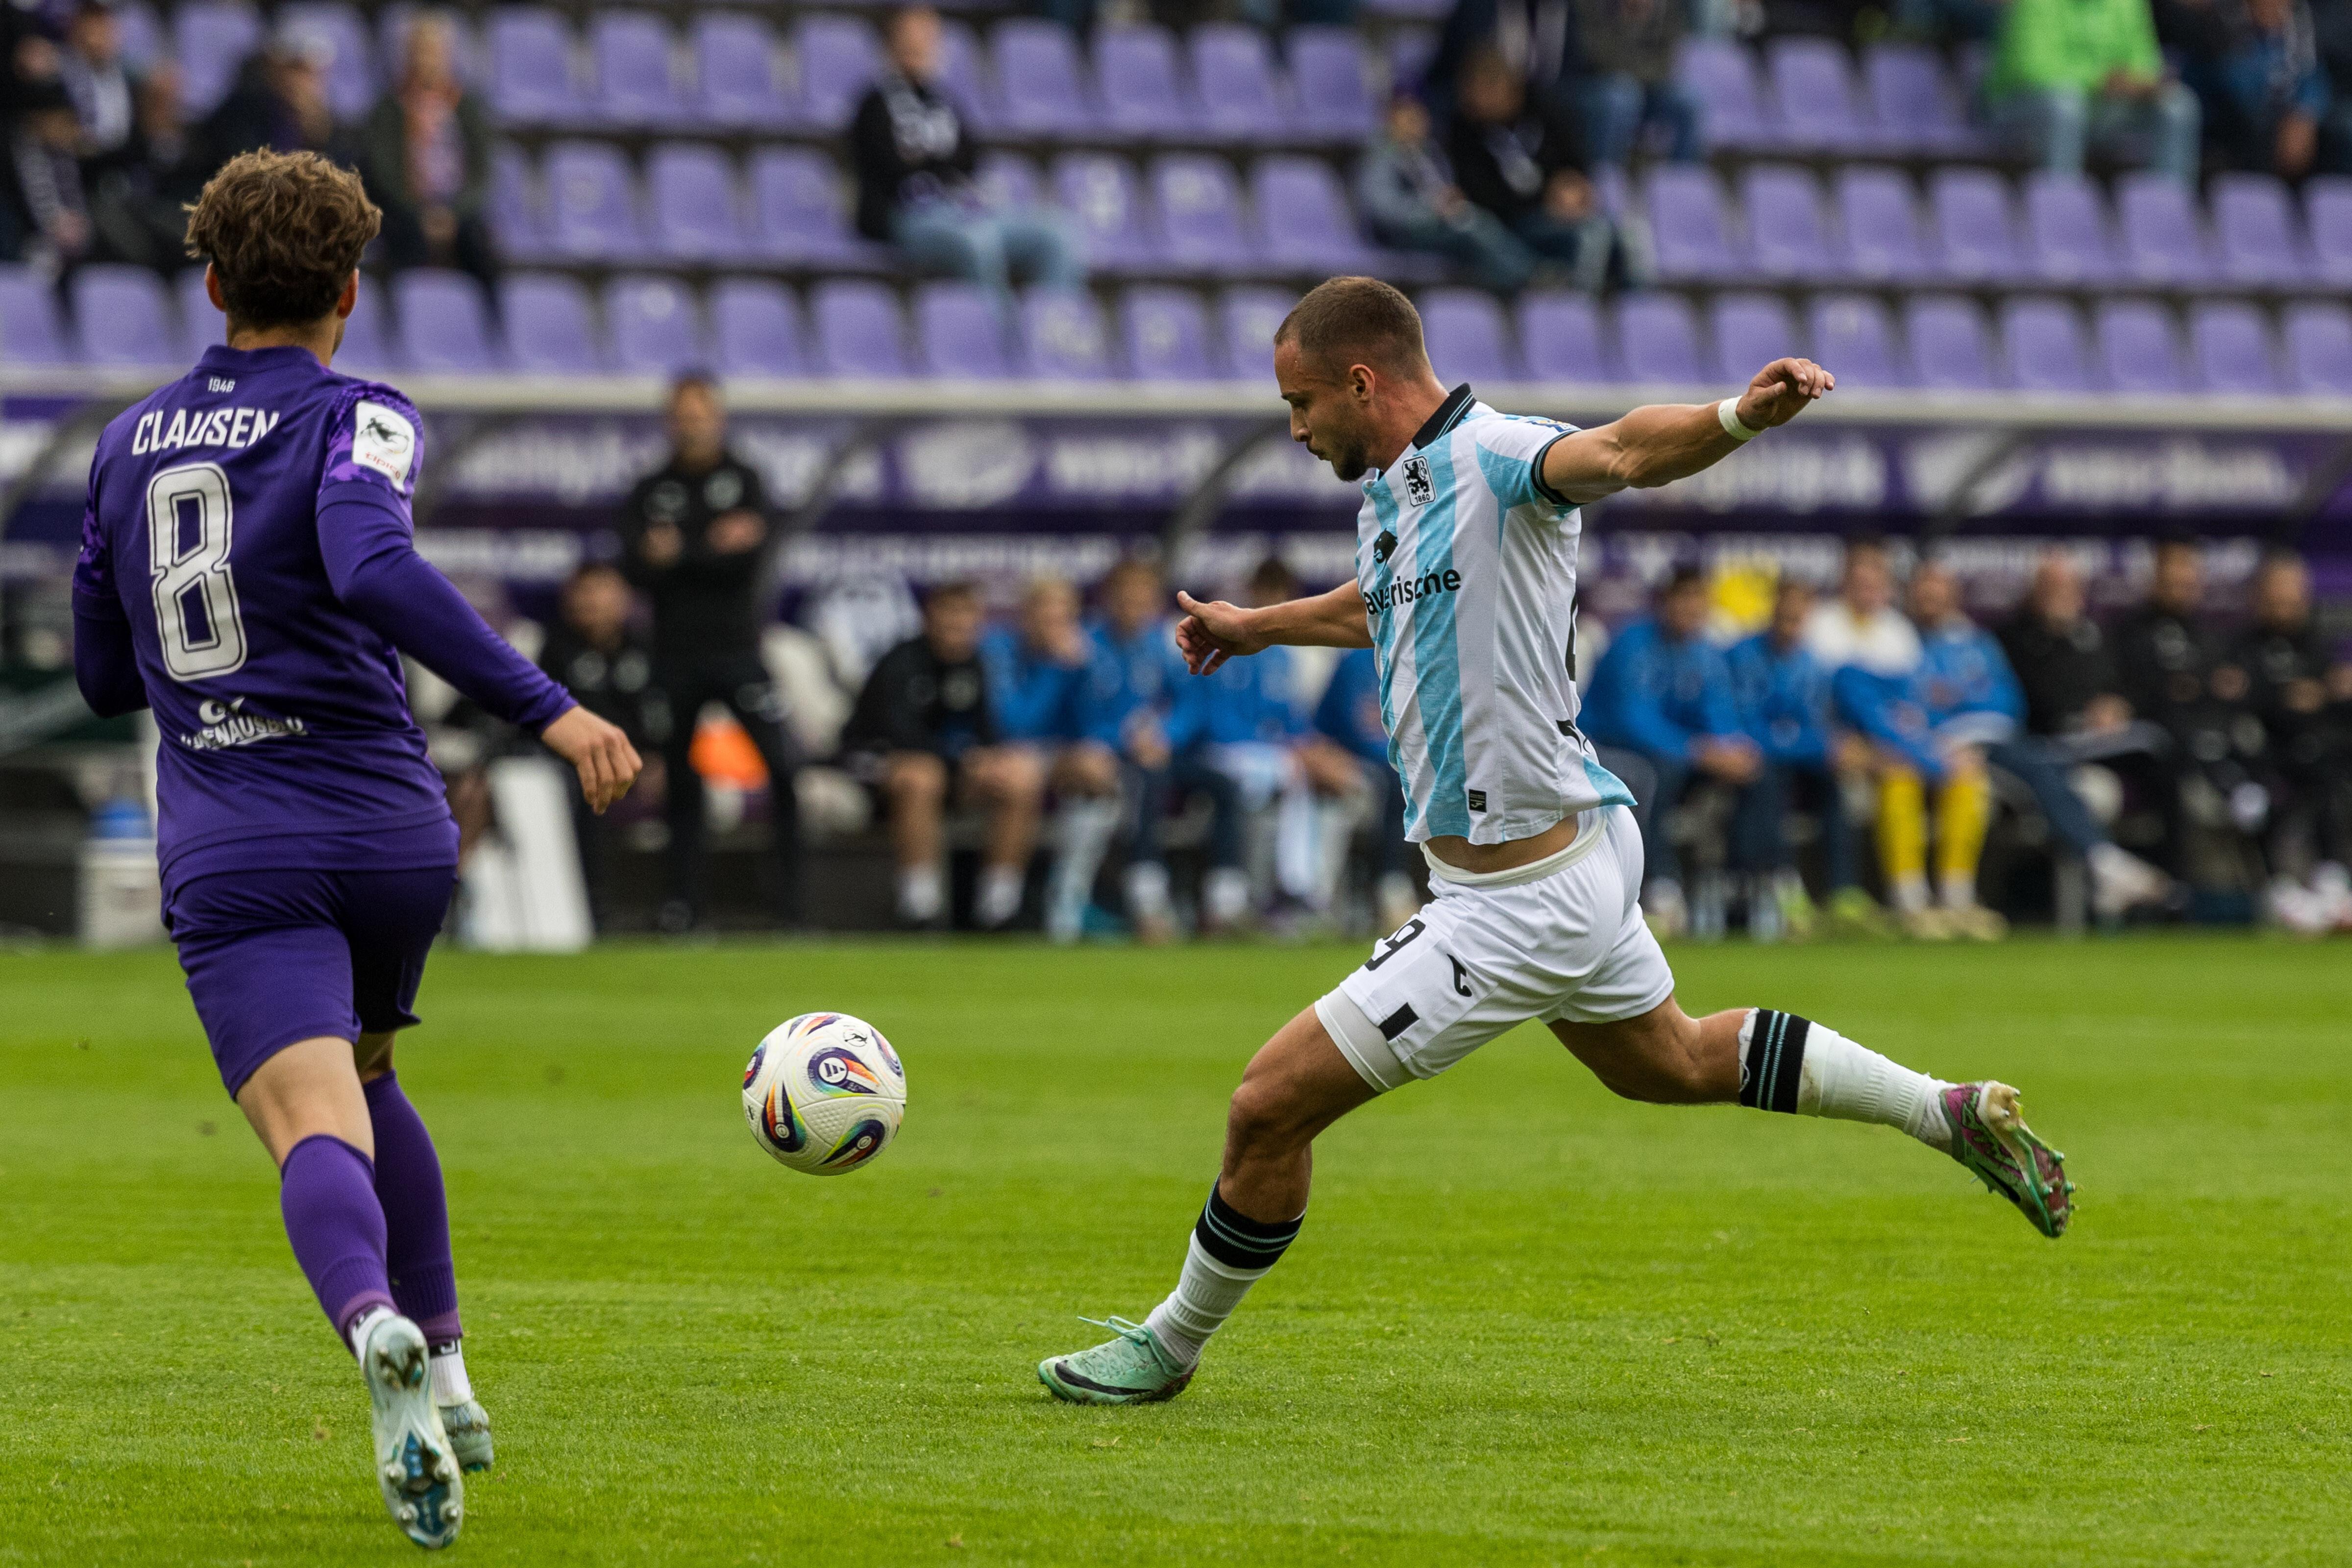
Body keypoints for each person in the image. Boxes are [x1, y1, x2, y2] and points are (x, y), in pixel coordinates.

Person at [1035, 276, 2070, 1407]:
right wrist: (1256, 627)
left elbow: (1621, 451)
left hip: (1517, 898)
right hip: (1574, 850)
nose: (1294, 428)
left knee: (1266, 1105)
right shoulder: (1392, 494)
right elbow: (1383, 603)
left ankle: (1169, 1346)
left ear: (1361, 380)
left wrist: (1738, 416)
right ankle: (1944, 1111)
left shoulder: (1497, 455)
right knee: (1669, 1060)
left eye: (1301, 402)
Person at [68, 150, 639, 1546]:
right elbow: (370, 563)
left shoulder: (124, 444)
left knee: (311, 1119)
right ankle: (449, 1375)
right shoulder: (363, 413)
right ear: (351, 292)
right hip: (391, 828)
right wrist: (551, 711)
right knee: (373, 1073)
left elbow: (101, 675)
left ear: (213, 283)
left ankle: (373, 1319)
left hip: (239, 839)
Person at [619, 372, 803, 934]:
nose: (692, 424)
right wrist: (710, 547)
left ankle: (792, 906)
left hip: (738, 649)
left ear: (718, 418)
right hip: (674, 654)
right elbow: (634, 567)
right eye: (684, 414)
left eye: (701, 413)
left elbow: (748, 560)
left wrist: (680, 552)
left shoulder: (744, 479)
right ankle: (684, 905)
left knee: (784, 768)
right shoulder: (651, 487)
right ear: (670, 420)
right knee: (679, 779)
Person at [849, 4, 1081, 315]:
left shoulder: (945, 102)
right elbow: (888, 166)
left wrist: (929, 161)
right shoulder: (873, 104)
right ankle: (1002, 335)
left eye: (929, 37)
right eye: (913, 36)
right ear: (892, 43)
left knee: (1057, 235)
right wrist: (936, 164)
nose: (922, 45)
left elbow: (970, 159)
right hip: (909, 217)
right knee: (977, 242)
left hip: (961, 209)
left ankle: (1053, 331)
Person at [844, 580, 1046, 930]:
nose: (957, 622)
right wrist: (966, 761)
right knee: (922, 776)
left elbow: (987, 733)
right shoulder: (902, 662)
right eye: (949, 612)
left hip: (952, 773)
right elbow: (900, 738)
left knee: (1020, 778)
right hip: (878, 772)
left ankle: (999, 909)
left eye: (966, 613)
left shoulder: (976, 664)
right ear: (929, 616)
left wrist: (990, 761)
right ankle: (919, 908)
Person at [1176, 557, 1363, 930]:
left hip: (1269, 755)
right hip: (1223, 752)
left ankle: (1309, 892)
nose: (1274, 601)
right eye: (1267, 592)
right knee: (1291, 773)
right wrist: (1285, 749)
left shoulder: (1281, 655)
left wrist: (1312, 746)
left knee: (1331, 779)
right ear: (1252, 592)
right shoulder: (1228, 640)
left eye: (1281, 594)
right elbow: (1216, 722)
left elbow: (1292, 721)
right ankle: (1288, 890)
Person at [1578, 564, 1764, 937]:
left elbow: (1719, 712)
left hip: (1679, 754)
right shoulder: (1631, 643)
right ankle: (1658, 886)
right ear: (1665, 602)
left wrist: (1732, 747)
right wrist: (1698, 751)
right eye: (1685, 598)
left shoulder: (1705, 653)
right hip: (1605, 750)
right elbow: (1632, 720)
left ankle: (1746, 884)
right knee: (1655, 773)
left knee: (1756, 773)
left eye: (1700, 600)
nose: (1692, 608)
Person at [1080, 556, 1236, 943]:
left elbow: (1191, 704)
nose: (1134, 606)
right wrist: (1128, 740)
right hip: (1113, 757)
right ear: (1109, 599)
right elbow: (1080, 715)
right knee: (1145, 783)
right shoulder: (1086, 648)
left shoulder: (1162, 646)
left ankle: (1226, 903)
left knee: (1225, 785)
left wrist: (1166, 736)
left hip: (1163, 753)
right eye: (1126, 597)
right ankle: (1147, 901)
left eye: (1142, 598)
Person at [1726, 578, 1883, 937]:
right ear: (1772, 612)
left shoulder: (1811, 665)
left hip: (1799, 762)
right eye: (1785, 616)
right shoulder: (1742, 657)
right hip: (1757, 763)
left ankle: (1843, 892)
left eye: (1797, 619)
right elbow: (1746, 727)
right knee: (1766, 779)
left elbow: (1816, 725)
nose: (1790, 626)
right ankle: (1783, 887)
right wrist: (1818, 746)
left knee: (1834, 782)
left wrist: (1833, 747)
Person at [982, 576, 1122, 943]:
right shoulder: (998, 648)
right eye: (1045, 615)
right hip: (998, 756)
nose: (1054, 626)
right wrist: (1055, 668)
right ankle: (999, 908)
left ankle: (1068, 898)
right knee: (1023, 774)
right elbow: (1013, 724)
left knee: (1098, 768)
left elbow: (1097, 729)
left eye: (1063, 618)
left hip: (1055, 758)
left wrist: (1082, 671)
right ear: (1026, 614)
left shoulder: (1086, 654)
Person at [2218, 551, 2352, 927]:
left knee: (2325, 766)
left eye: (2294, 594)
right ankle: (2282, 889)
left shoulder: (2315, 645)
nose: (2287, 604)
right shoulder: (2241, 647)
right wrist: (2284, 696)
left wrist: (2328, 692)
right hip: (2266, 757)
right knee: (2267, 793)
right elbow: (2236, 700)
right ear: (2260, 596)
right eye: (2278, 594)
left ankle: (2332, 881)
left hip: (2321, 753)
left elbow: (2333, 693)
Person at [1446, 46, 1636, 294]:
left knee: (1624, 236)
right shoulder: (1462, 133)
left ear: (1512, 90)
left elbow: (1575, 165)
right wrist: (1547, 199)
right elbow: (1478, 195)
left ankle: (1633, 301)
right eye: (1474, 89)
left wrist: (1572, 186)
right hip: (1509, 227)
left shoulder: (1545, 112)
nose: (1479, 98)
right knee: (1590, 234)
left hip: (1552, 217)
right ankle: (1573, 306)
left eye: (1490, 88)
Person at [538, 562, 663, 930]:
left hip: (637, 761)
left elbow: (658, 712)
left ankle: (681, 906)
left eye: (601, 592)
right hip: (577, 765)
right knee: (586, 791)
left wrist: (658, 757)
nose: (590, 602)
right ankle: (592, 907)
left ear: (624, 600)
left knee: (688, 782)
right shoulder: (556, 648)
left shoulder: (644, 647)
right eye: (583, 592)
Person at [1985, 0, 2202, 185]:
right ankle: (2059, 204)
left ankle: (2169, 209)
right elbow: (2032, 69)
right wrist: (2102, 81)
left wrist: (2143, 84)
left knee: (2179, 106)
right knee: (2066, 106)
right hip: (2020, 104)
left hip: (2102, 107)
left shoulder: (2129, 3)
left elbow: (2144, 63)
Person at [352, 14, 494, 287]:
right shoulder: (388, 108)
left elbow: (482, 171)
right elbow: (384, 172)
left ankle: (492, 313)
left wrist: (454, 214)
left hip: (459, 213)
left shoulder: (468, 108)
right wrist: (420, 214)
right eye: (420, 51)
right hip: (404, 212)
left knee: (483, 251)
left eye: (434, 52)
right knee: (404, 245)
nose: (427, 60)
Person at [1356, 91, 1541, 293]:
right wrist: (1432, 210)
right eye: (1408, 120)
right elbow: (1384, 207)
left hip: (1437, 223)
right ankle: (1525, 282)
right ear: (1390, 123)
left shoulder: (1428, 153)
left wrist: (1449, 203)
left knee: (1483, 223)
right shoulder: (1381, 158)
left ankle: (1522, 277)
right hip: (1404, 234)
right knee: (1473, 234)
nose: (1416, 125)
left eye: (1420, 118)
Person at [1313, 643, 1422, 934]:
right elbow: (1354, 730)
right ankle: (1391, 887)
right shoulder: (1357, 661)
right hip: (1344, 758)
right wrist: (1407, 760)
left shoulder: (1415, 656)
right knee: (1394, 782)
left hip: (1387, 763)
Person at [1572, 0, 1703, 169]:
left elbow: (1667, 63)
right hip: (1594, 85)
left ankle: (1680, 180)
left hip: (1650, 88)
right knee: (1622, 98)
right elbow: (1599, 58)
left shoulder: (1666, 9)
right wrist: (1629, 20)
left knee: (1691, 101)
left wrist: (1638, 75)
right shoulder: (1593, 6)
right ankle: (1605, 175)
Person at [192, 23, 337, 168]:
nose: (306, 81)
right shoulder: (239, 113)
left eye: (314, 73)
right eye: (297, 69)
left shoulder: (321, 121)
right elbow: (248, 168)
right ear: (274, 67)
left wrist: (316, 132)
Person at [1803, 536, 1920, 679]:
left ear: (1885, 582)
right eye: (1859, 582)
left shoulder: (1900, 631)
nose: (1866, 575)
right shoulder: (1815, 621)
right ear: (1845, 578)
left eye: (1875, 569)